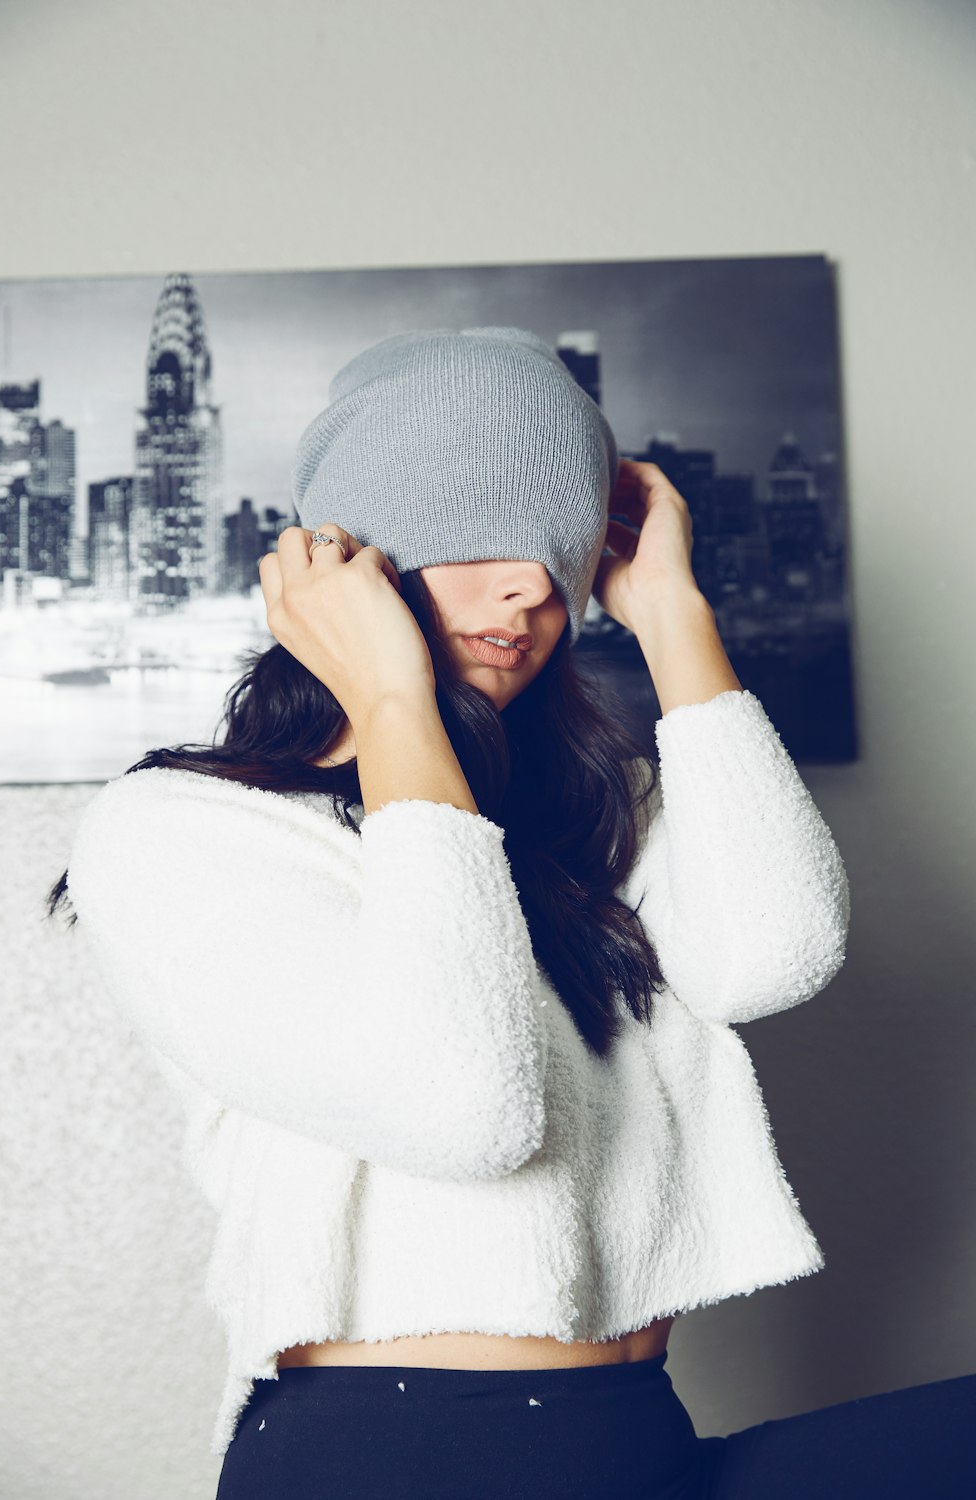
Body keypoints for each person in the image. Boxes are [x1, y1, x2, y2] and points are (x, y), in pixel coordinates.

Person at [50, 328, 974, 1497]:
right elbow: (458, 1106)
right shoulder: (178, 830)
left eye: (561, 540)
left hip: (634, 1435)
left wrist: (672, 613)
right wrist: (388, 695)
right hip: (399, 1456)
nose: (535, 582)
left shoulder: (586, 809)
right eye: (481, 530)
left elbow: (771, 957)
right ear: (346, 561)